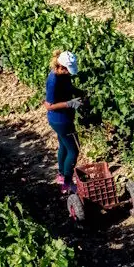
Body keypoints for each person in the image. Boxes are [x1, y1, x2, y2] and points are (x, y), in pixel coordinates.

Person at [45, 50, 84, 193]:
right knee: (74, 150)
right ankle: (67, 184)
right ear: (61, 67)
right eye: (68, 70)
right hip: (60, 121)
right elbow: (48, 105)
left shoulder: (63, 76)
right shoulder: (53, 81)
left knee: (64, 146)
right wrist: (69, 103)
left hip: (64, 119)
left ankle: (62, 175)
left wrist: (79, 92)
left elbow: (69, 87)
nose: (69, 73)